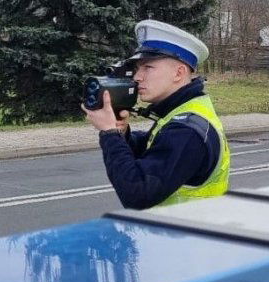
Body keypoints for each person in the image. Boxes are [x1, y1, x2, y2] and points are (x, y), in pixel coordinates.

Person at [82, 20, 230, 210]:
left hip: (182, 235)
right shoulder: (181, 113)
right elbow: (155, 149)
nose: (137, 77)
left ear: (178, 73)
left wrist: (110, 134)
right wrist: (122, 133)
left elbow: (137, 194)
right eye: (137, 69)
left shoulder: (186, 131)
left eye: (148, 68)